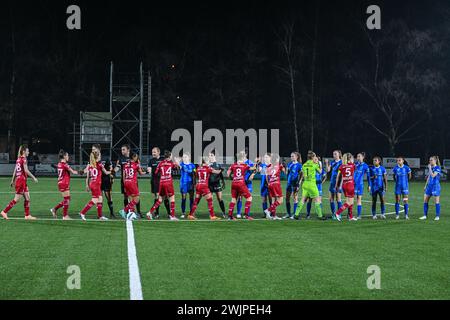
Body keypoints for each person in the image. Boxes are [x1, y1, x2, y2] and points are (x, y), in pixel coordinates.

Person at [1, 145, 38, 220]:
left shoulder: (18, 159)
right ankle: (4, 212)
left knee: (27, 197)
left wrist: (12, 180)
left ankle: (27, 215)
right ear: (24, 151)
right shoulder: (23, 159)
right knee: (17, 199)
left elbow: (15, 170)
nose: (28, 152)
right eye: (27, 151)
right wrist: (33, 177)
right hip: (21, 181)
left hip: (21, 180)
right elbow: (26, 170)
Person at [146, 150, 180, 221]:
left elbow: (156, 172)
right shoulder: (171, 163)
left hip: (161, 183)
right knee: (172, 198)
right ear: (170, 156)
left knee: (160, 199)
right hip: (168, 183)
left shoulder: (160, 163)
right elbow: (177, 167)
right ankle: (172, 216)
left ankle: (149, 212)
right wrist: (177, 162)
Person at [79, 151, 110, 221]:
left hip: (93, 183)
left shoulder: (91, 165)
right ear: (97, 157)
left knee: (100, 199)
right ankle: (82, 212)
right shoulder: (99, 164)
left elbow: (87, 173)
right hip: (96, 184)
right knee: (95, 200)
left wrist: (87, 184)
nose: (100, 157)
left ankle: (100, 216)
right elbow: (106, 172)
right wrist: (113, 171)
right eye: (100, 156)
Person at [294, 151, 324, 220]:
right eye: (315, 157)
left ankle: (296, 214)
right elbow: (320, 172)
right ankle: (320, 216)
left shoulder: (304, 165)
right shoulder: (314, 164)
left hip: (305, 184)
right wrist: (320, 165)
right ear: (313, 157)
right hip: (312, 184)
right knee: (317, 200)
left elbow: (302, 173)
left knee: (302, 199)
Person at [50, 150, 79, 220]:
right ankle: (65, 216)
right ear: (64, 156)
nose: (68, 157)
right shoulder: (65, 164)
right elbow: (74, 172)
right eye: (67, 155)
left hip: (61, 183)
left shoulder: (60, 164)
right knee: (67, 199)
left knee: (67, 199)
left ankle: (54, 209)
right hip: (64, 183)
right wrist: (84, 171)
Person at [227, 151, 254, 220]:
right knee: (249, 198)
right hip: (241, 183)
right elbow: (252, 168)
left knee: (233, 199)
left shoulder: (233, 165)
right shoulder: (244, 165)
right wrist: (256, 163)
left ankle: (230, 216)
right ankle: (246, 215)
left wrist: (231, 175)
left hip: (234, 183)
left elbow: (228, 173)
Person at [119, 153, 146, 219]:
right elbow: (141, 173)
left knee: (131, 199)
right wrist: (147, 172)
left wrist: (124, 184)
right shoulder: (136, 165)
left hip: (126, 182)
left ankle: (131, 214)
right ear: (134, 157)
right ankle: (124, 210)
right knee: (136, 199)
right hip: (132, 183)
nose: (137, 158)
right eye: (136, 157)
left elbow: (123, 176)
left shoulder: (125, 165)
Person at [147, 147, 170, 219]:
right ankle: (156, 213)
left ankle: (169, 213)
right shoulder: (151, 161)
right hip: (155, 181)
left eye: (154, 152)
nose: (153, 153)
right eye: (152, 152)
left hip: (163, 181)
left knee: (166, 197)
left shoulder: (163, 159)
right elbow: (149, 168)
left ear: (158, 152)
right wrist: (149, 170)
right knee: (157, 196)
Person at [334, 153, 358, 221]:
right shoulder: (353, 165)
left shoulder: (341, 166)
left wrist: (336, 185)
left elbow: (338, 176)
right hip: (350, 184)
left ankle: (350, 217)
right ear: (350, 158)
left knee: (351, 202)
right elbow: (355, 170)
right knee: (349, 202)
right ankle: (338, 213)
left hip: (344, 185)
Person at [264, 154, 285, 220]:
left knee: (273, 200)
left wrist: (268, 183)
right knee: (280, 200)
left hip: (270, 184)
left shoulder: (269, 166)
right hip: (276, 184)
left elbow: (266, 177)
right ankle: (268, 210)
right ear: (276, 159)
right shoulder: (279, 165)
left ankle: (273, 215)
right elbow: (284, 171)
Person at [420, 156, 441, 221]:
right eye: (429, 160)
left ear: (435, 161)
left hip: (435, 186)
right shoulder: (431, 168)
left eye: (431, 160)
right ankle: (425, 215)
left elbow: (433, 175)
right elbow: (429, 177)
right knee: (425, 200)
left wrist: (429, 168)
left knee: (436, 202)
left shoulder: (437, 168)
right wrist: (425, 185)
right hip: (429, 186)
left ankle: (437, 216)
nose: (430, 161)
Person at [236, 150, 255, 218]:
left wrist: (252, 174)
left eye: (243, 153)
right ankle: (238, 213)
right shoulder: (239, 162)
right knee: (240, 197)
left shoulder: (250, 162)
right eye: (241, 153)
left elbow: (254, 169)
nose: (241, 154)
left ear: (246, 154)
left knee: (249, 197)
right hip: (241, 182)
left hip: (248, 183)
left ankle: (246, 214)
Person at [325, 150, 343, 219]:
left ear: (339, 154)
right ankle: (333, 214)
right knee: (331, 199)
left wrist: (340, 184)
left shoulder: (342, 162)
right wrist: (326, 163)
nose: (334, 155)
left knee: (338, 199)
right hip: (332, 182)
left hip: (338, 183)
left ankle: (339, 214)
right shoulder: (332, 162)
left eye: (335, 154)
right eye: (333, 154)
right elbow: (327, 170)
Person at [208, 151, 227, 218]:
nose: (209, 156)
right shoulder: (208, 165)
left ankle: (224, 213)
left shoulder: (218, 165)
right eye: (209, 155)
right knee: (210, 199)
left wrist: (223, 181)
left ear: (214, 156)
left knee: (220, 198)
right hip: (209, 184)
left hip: (217, 184)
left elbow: (220, 174)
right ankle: (212, 214)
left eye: (211, 155)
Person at [284, 152, 302, 219]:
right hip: (289, 183)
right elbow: (287, 173)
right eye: (291, 156)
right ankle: (288, 213)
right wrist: (285, 170)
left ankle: (295, 214)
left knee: (295, 198)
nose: (292, 157)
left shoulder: (299, 165)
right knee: (287, 199)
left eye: (293, 156)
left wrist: (299, 184)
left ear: (297, 157)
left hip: (295, 184)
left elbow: (301, 175)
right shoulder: (289, 164)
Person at [354, 152, 371, 219]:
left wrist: (369, 185)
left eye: (359, 156)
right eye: (357, 156)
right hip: (353, 184)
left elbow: (368, 177)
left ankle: (359, 215)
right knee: (352, 199)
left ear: (363, 157)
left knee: (359, 199)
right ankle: (350, 214)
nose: (358, 158)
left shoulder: (365, 166)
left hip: (360, 185)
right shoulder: (355, 165)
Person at [179, 153, 196, 219]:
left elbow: (194, 174)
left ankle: (191, 213)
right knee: (184, 198)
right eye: (183, 157)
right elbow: (179, 166)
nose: (184, 158)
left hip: (191, 184)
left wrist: (194, 183)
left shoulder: (193, 165)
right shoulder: (181, 165)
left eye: (185, 157)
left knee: (191, 199)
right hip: (183, 184)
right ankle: (183, 213)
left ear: (189, 158)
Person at [257, 153, 273, 218]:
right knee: (264, 199)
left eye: (266, 157)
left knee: (271, 199)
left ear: (270, 158)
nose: (265, 158)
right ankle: (265, 213)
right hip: (263, 183)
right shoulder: (262, 165)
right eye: (264, 157)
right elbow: (259, 170)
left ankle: (271, 212)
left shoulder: (272, 165)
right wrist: (258, 164)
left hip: (270, 184)